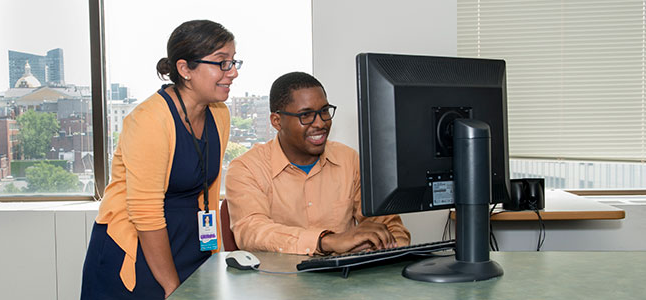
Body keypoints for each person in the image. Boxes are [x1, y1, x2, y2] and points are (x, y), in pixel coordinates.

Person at [81, 20, 239, 299]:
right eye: (222, 62)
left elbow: (208, 192)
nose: (233, 72)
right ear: (184, 69)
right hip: (139, 253)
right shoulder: (149, 120)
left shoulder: (219, 114)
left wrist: (211, 253)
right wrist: (171, 285)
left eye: (234, 61)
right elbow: (145, 212)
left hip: (190, 247)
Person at [225, 72, 410, 256]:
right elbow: (252, 232)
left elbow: (391, 226)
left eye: (324, 111)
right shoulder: (246, 168)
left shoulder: (349, 160)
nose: (320, 123)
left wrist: (380, 247)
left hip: (344, 281)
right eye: (306, 115)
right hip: (279, 282)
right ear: (276, 121)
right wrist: (326, 241)